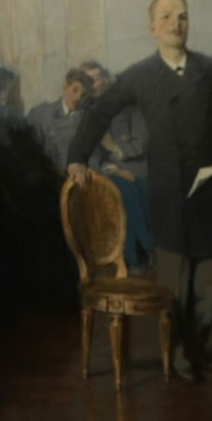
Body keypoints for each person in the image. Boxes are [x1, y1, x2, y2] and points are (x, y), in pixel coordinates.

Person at [66, 0, 212, 380]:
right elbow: (98, 114)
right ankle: (179, 356)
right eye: (166, 17)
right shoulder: (139, 76)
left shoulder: (210, 70)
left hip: (208, 189)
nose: (175, 24)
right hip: (168, 191)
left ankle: (196, 349)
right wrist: (77, 157)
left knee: (211, 280)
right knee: (175, 283)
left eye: (182, 16)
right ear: (152, 27)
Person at [78, 60, 154, 269]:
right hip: (104, 172)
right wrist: (106, 170)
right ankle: (146, 247)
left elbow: (140, 144)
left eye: (97, 78)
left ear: (105, 79)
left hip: (133, 167)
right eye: (88, 80)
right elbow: (85, 151)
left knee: (130, 191)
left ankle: (135, 257)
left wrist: (116, 150)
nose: (94, 84)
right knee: (123, 191)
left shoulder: (129, 106)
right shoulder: (84, 111)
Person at [28, 67, 93, 172]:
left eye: (83, 94)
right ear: (65, 86)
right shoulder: (41, 114)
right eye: (75, 90)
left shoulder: (87, 119)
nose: (78, 98)